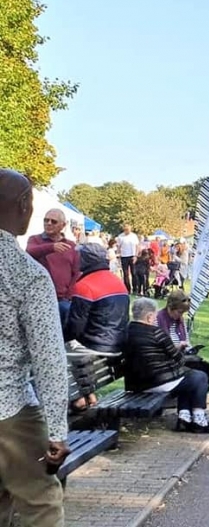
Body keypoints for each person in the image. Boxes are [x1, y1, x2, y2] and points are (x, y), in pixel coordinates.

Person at [0, 168, 70, 525]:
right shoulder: (25, 272)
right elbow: (49, 359)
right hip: (9, 409)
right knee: (40, 505)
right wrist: (57, 429)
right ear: (22, 205)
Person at [123, 298, 209, 433]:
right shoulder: (156, 333)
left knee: (188, 379)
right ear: (150, 317)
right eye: (154, 315)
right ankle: (199, 419)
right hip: (156, 382)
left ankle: (184, 418)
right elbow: (179, 359)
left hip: (135, 384)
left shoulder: (125, 332)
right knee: (199, 376)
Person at [64, 244, 130, 358]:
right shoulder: (118, 281)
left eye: (79, 256)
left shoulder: (84, 286)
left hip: (95, 347)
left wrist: (61, 339)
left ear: (86, 259)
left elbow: (75, 326)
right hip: (118, 345)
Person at [26, 208, 80, 325]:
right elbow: (29, 252)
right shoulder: (35, 240)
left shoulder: (71, 245)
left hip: (63, 300)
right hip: (40, 299)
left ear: (63, 225)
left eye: (53, 221)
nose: (48, 223)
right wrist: (51, 247)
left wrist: (68, 295)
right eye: (46, 220)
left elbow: (76, 272)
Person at [156, 290, 209, 386]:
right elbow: (160, 347)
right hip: (169, 361)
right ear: (170, 307)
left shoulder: (180, 321)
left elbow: (186, 340)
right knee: (200, 373)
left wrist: (190, 349)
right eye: (179, 312)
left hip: (181, 357)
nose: (180, 315)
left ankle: (197, 396)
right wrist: (177, 347)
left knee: (208, 368)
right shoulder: (159, 319)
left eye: (183, 312)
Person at [116, 223, 140, 294]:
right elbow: (119, 247)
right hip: (124, 256)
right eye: (126, 230)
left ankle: (135, 289)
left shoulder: (134, 236)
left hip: (132, 256)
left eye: (128, 230)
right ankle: (127, 289)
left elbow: (137, 246)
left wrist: (136, 256)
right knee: (125, 274)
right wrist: (118, 256)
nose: (127, 231)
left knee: (134, 273)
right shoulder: (120, 236)